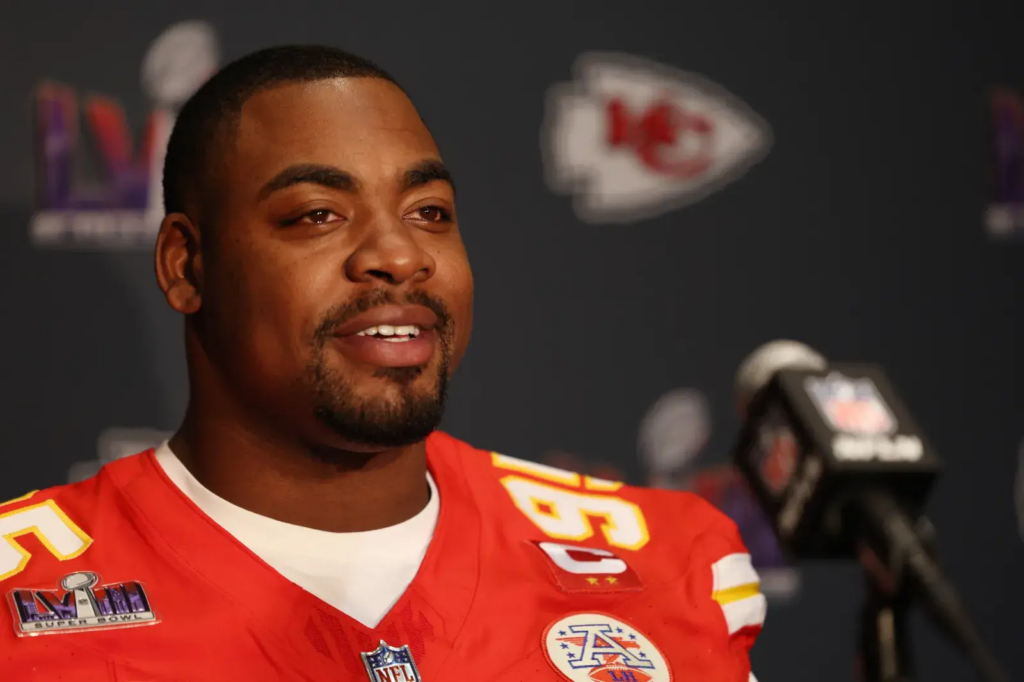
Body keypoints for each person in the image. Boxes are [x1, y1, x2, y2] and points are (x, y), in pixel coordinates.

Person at [1, 46, 765, 682]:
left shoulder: (668, 564)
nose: (399, 255)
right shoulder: (17, 600)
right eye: (317, 215)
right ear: (186, 266)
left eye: (429, 212)